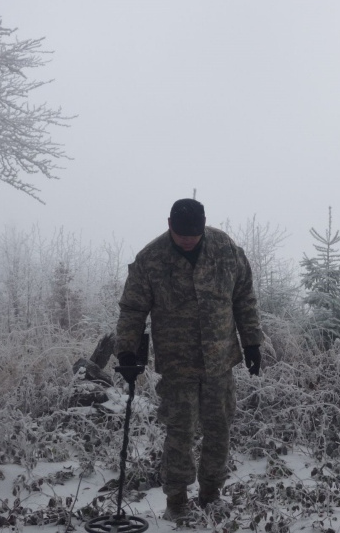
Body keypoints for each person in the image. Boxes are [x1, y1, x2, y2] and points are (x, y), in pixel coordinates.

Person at [114, 198, 262, 521]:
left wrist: (252, 342)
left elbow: (244, 297)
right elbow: (133, 308)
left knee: (218, 427)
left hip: (220, 359)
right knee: (179, 431)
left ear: (203, 225)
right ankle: (176, 501)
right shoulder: (150, 259)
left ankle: (211, 494)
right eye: (181, 235)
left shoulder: (226, 250)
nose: (186, 241)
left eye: (193, 235)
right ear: (169, 224)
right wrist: (126, 350)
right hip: (177, 364)